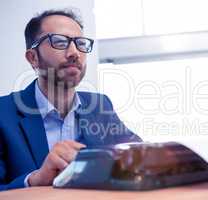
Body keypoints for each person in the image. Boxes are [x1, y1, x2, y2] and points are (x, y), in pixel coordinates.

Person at [0, 9, 142, 191]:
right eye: (59, 42)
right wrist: (34, 179)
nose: (74, 52)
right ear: (33, 58)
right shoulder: (3, 113)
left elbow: (137, 155)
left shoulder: (99, 105)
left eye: (81, 44)